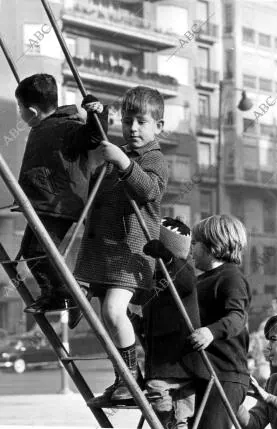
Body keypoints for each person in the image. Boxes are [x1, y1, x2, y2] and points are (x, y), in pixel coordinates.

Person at [75, 86, 168, 403]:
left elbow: (150, 190)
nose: (133, 128)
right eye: (128, 121)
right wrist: (96, 119)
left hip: (131, 254)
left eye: (142, 121)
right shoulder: (115, 154)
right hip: (105, 254)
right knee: (108, 318)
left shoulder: (154, 158)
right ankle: (125, 379)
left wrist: (124, 165)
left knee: (115, 312)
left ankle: (131, 382)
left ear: (159, 126)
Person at [14, 73, 108, 323]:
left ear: (32, 111)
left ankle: (69, 296)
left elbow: (94, 137)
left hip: (59, 203)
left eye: (19, 108)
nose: (19, 114)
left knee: (39, 253)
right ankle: (56, 294)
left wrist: (98, 114)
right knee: (30, 252)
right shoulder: (44, 126)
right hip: (42, 203)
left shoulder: (68, 125)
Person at [182, 214, 251, 429]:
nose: (190, 249)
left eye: (194, 243)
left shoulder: (231, 277)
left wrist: (211, 332)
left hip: (224, 374)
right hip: (201, 372)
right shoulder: (199, 281)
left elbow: (237, 316)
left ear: (213, 245)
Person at [142, 216, 201, 429]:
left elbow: (186, 281)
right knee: (181, 414)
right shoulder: (156, 279)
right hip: (165, 358)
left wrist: (167, 258)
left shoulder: (181, 270)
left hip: (179, 359)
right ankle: (171, 422)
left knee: (159, 390)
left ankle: (167, 420)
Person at [238, 309, 277, 429]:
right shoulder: (274, 380)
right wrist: (234, 401)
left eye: (273, 339)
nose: (268, 346)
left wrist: (268, 398)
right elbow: (254, 424)